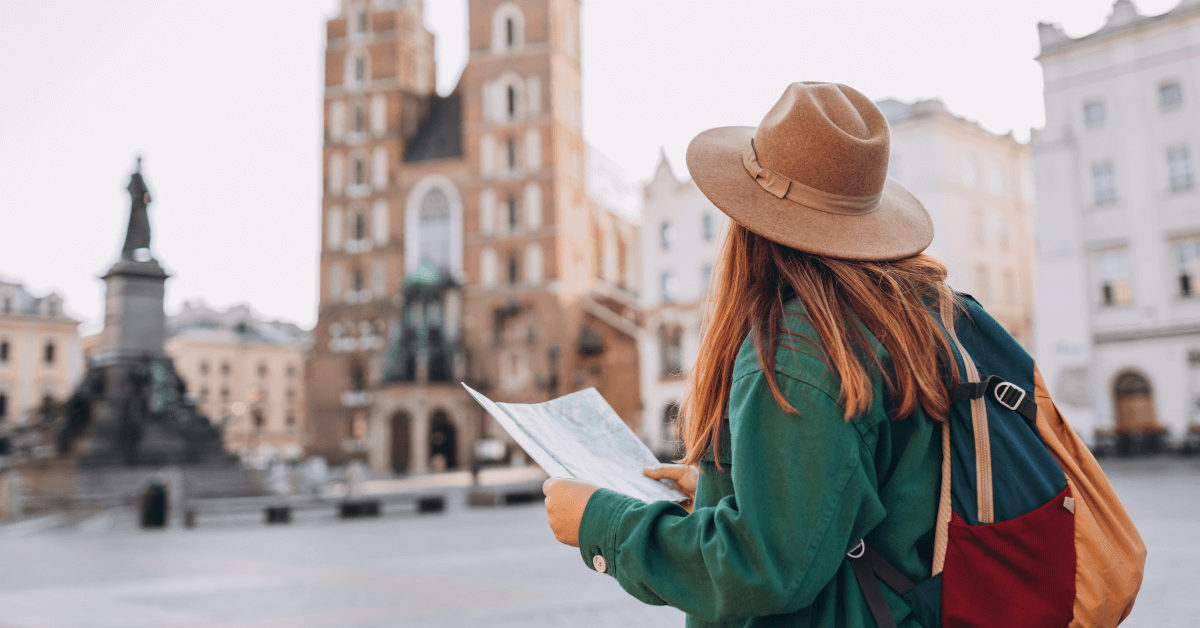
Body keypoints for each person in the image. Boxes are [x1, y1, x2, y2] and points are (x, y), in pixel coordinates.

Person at [543, 82, 970, 627]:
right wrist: (731, 491)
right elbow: (856, 495)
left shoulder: (799, 347)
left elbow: (762, 568)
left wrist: (599, 522)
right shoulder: (906, 315)